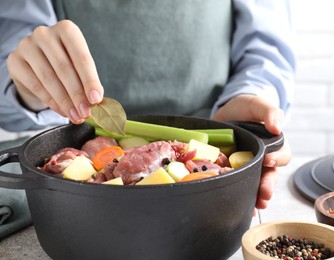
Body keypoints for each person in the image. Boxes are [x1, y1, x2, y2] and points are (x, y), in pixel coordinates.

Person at [0, 0, 295, 209]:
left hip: (212, 142)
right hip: (78, 142)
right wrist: (30, 87)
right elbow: (9, 84)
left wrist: (251, 97)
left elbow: (264, 49)